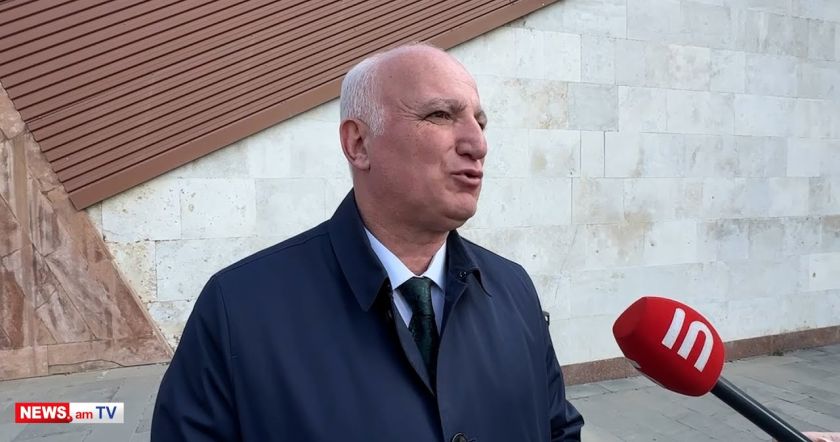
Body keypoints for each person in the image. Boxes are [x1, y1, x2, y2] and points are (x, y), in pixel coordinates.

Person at [151, 43, 584, 441]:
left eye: (480, 121)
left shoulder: (514, 289)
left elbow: (559, 430)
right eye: (440, 115)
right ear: (358, 143)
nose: (477, 143)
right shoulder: (238, 310)